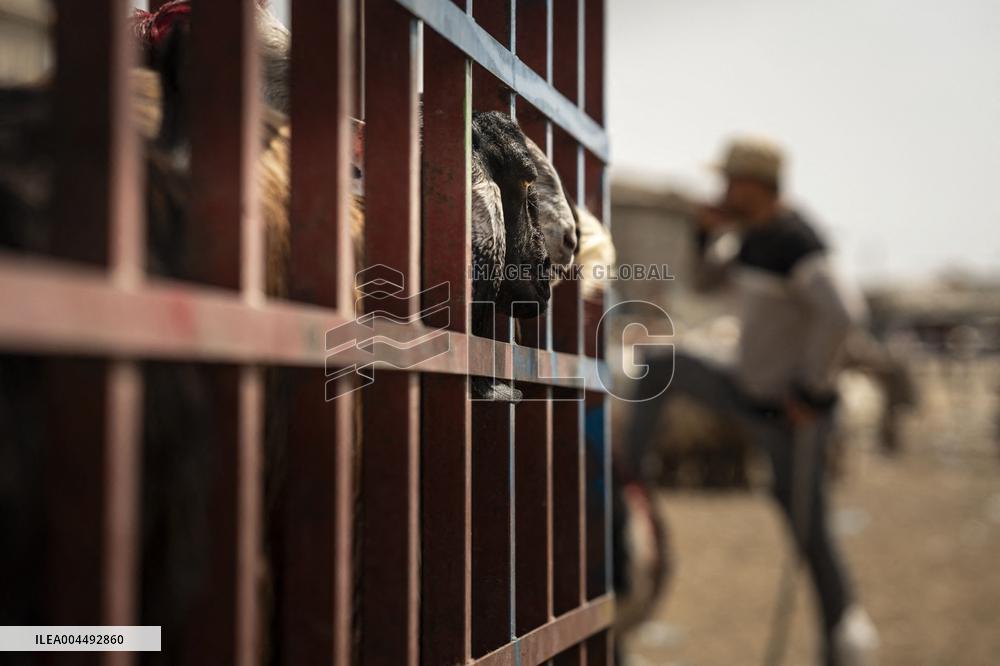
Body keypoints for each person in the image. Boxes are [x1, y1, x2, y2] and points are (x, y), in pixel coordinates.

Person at [624, 137, 879, 666]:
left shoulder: (796, 240)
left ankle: (846, 640)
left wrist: (815, 389)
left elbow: (844, 315)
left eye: (730, 182)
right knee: (659, 363)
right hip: (746, 389)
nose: (721, 190)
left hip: (793, 412)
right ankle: (629, 477)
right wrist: (703, 233)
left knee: (809, 529)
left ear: (755, 186)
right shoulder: (750, 236)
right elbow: (704, 281)